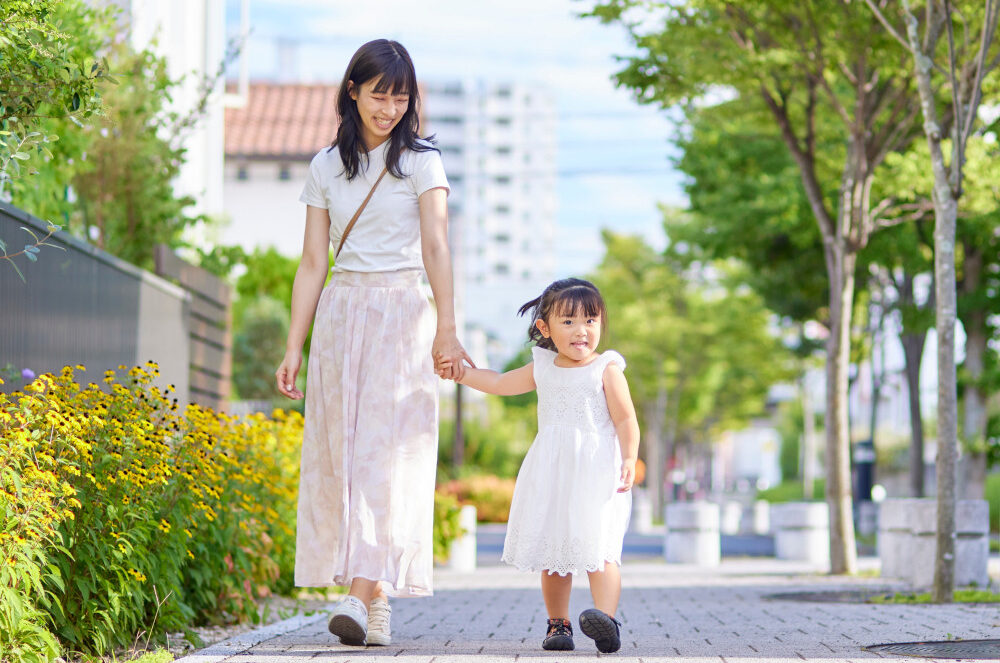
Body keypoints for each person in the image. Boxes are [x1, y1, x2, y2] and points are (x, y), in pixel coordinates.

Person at [275, 39, 472, 648]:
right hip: (341, 314)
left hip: (403, 313)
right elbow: (312, 262)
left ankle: (358, 601)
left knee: (385, 460)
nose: (389, 107)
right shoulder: (324, 167)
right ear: (353, 91)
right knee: (346, 459)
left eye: (400, 95)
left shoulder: (422, 163)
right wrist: (293, 346)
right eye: (378, 93)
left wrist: (446, 325)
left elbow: (437, 247)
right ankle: (375, 600)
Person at [437, 278, 640, 653]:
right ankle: (557, 624)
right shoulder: (542, 367)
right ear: (545, 328)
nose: (581, 330)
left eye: (591, 321)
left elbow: (626, 419)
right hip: (551, 471)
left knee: (600, 549)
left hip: (595, 473)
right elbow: (497, 382)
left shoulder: (606, 369)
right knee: (554, 552)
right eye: (568, 322)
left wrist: (629, 456)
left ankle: (606, 621)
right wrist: (461, 373)